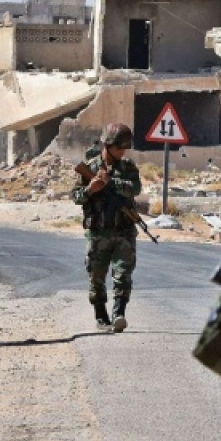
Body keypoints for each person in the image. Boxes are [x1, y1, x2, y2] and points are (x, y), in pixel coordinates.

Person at [72, 123, 142, 332]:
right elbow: (76, 196)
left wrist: (112, 182)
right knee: (96, 275)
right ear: (107, 145)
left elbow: (135, 188)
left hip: (124, 230)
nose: (123, 152)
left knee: (123, 273)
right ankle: (101, 316)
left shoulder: (127, 167)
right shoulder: (90, 167)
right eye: (119, 147)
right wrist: (90, 189)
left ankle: (119, 313)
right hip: (98, 232)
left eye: (125, 148)